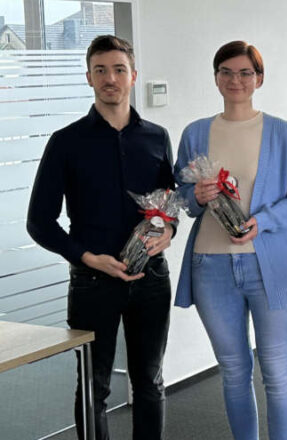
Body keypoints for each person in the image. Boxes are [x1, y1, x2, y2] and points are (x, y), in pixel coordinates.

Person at [26, 35, 175, 440]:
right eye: (101, 70)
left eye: (119, 69)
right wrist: (87, 257)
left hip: (151, 279)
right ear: (89, 78)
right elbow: (39, 222)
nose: (111, 78)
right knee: (95, 387)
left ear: (133, 76)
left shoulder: (157, 137)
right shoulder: (66, 142)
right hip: (93, 281)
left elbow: (167, 205)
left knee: (150, 382)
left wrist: (170, 232)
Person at [173, 41, 287, 440]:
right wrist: (196, 197)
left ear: (259, 78)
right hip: (211, 266)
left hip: (270, 264)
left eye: (244, 72)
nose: (235, 80)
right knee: (234, 372)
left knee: (277, 372)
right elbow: (181, 196)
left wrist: (267, 220)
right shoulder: (195, 133)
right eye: (226, 71)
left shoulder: (282, 133)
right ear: (215, 77)